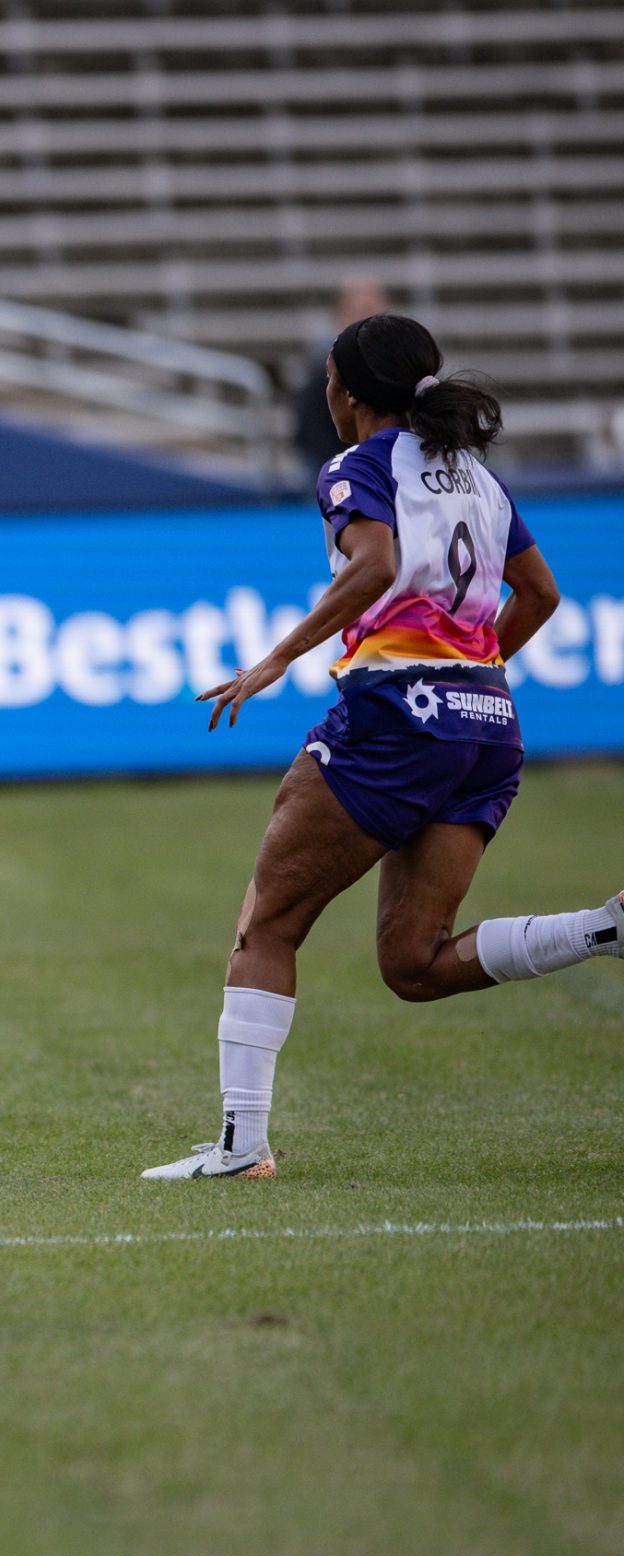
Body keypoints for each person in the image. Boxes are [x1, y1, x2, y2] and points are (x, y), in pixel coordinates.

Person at [145, 314, 619, 1179]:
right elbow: (541, 595)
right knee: (415, 963)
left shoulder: (356, 467)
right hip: (487, 727)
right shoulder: (476, 477)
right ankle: (602, 929)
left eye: (328, 375)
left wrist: (277, 658)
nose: (324, 390)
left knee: (269, 925)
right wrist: (467, 678)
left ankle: (241, 1148)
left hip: (397, 721)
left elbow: (371, 567)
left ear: (351, 393)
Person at [292, 277, 389, 477]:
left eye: (371, 310)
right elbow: (311, 431)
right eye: (358, 311)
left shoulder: (403, 365)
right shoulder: (322, 371)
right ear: (341, 316)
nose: (366, 319)